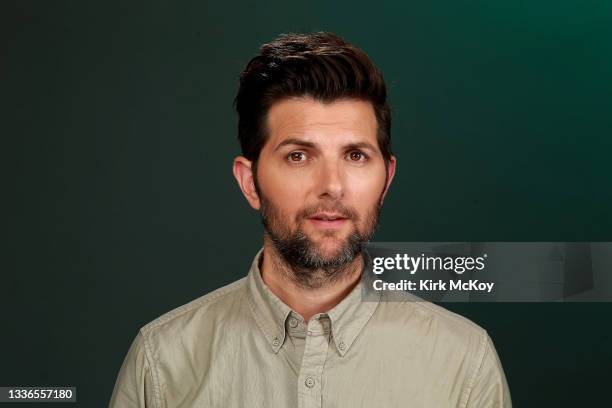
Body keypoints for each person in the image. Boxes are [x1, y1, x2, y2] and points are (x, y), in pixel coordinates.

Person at [110, 32, 512, 407]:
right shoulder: (160, 362)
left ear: (386, 180)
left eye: (355, 156)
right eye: (298, 156)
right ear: (250, 182)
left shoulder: (464, 362)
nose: (332, 186)